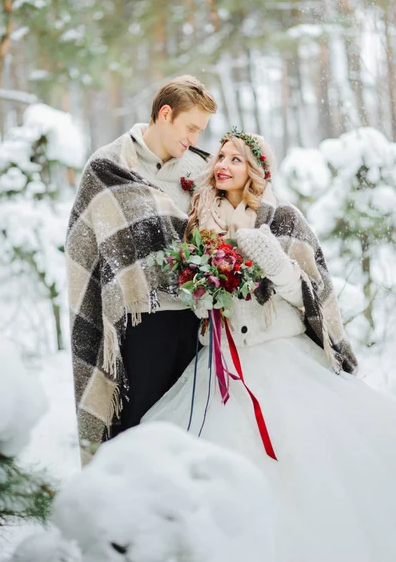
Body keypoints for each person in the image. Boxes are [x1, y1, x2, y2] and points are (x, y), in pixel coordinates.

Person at [143, 128, 396, 561]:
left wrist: (278, 267)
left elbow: (313, 299)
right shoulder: (200, 222)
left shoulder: (284, 219)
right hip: (222, 367)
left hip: (283, 360)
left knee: (303, 469)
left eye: (236, 159)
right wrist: (203, 293)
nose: (222, 164)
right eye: (220, 156)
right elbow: (200, 309)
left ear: (256, 171)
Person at [65, 75, 217, 464]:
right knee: (137, 430)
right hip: (142, 325)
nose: (195, 139)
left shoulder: (203, 170)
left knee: (192, 432)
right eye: (190, 128)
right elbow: (84, 245)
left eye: (201, 131)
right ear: (165, 114)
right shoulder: (109, 167)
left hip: (198, 324)